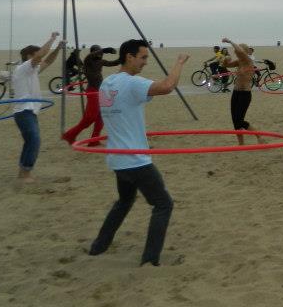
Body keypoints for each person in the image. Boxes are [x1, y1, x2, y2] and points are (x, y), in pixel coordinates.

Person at [88, 40, 188, 267]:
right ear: (129, 57)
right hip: (135, 161)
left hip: (118, 158)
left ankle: (99, 246)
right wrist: (179, 63)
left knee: (124, 201)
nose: (144, 63)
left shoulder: (107, 84)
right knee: (163, 205)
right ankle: (150, 260)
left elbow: (121, 114)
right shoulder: (131, 83)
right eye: (143, 58)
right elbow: (167, 86)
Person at [11, 32, 65, 182]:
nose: (39, 59)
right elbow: (41, 56)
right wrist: (53, 39)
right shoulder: (23, 69)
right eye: (36, 56)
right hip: (24, 111)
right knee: (34, 140)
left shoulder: (32, 70)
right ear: (29, 56)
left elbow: (48, 60)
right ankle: (25, 173)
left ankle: (23, 172)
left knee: (31, 141)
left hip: (30, 111)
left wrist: (58, 48)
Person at [61, 45, 120, 146]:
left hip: (100, 91)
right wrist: (105, 49)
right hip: (92, 91)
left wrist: (123, 57)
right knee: (89, 118)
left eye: (100, 52)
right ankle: (69, 135)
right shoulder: (88, 61)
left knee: (101, 117)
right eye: (97, 52)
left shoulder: (101, 62)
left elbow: (113, 63)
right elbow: (91, 55)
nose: (99, 54)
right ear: (93, 53)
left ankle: (94, 140)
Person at [220, 37, 260, 145]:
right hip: (236, 93)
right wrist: (226, 59)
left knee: (240, 120)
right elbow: (224, 66)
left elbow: (240, 51)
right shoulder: (239, 62)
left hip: (245, 94)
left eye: (238, 52)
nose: (236, 54)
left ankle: (258, 135)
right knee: (235, 121)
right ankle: (241, 143)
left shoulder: (248, 61)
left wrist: (230, 41)